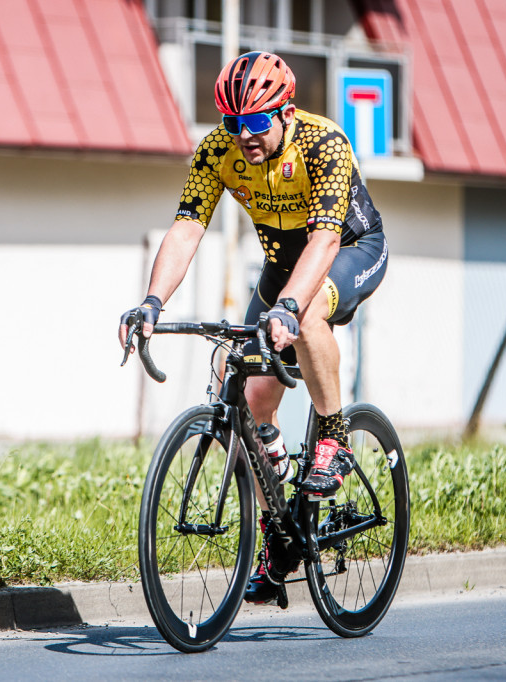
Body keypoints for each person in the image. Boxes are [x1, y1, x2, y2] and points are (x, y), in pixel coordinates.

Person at [118, 51, 388, 605]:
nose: (245, 136)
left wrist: (289, 307)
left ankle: (333, 439)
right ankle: (279, 533)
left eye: (258, 122)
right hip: (281, 264)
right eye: (234, 123)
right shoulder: (218, 149)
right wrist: (151, 301)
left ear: (286, 113)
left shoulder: (324, 144)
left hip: (348, 248)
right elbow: (188, 227)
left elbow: (326, 240)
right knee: (236, 376)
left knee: (307, 314)